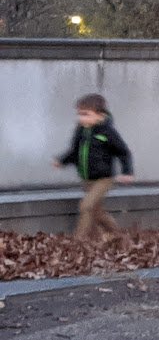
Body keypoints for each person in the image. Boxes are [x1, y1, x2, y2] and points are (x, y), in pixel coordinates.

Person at [53, 93, 134, 240]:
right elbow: (74, 151)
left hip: (104, 179)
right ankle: (117, 234)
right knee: (97, 212)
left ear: (100, 115)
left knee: (86, 206)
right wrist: (62, 161)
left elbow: (123, 152)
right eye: (80, 114)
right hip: (87, 179)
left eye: (86, 114)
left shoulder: (108, 132)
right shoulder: (81, 131)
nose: (81, 118)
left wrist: (127, 172)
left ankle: (79, 239)